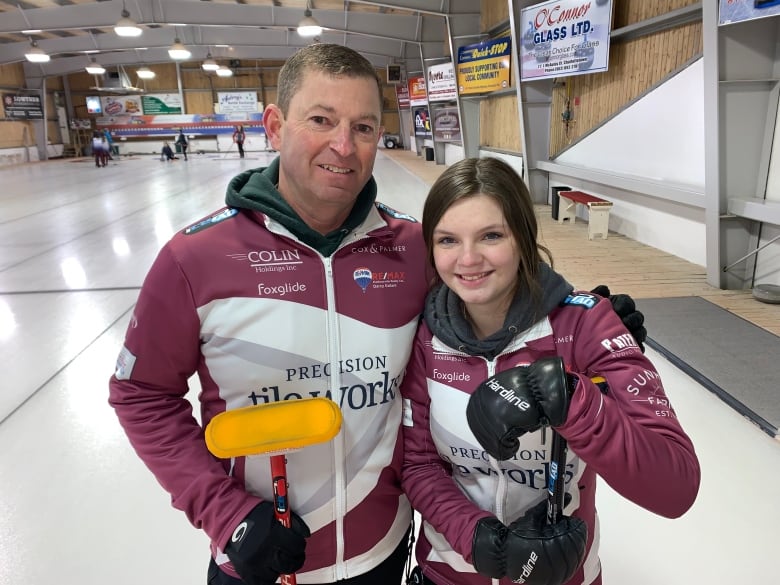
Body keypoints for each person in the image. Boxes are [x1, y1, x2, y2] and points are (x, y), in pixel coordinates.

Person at [108, 44, 647, 585]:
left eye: (363, 127)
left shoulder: (414, 248)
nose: (343, 146)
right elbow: (140, 394)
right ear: (274, 126)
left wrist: (577, 313)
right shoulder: (194, 258)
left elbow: (492, 294)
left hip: (385, 552)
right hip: (258, 558)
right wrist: (224, 515)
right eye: (322, 120)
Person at [399, 157, 700, 585]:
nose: (468, 259)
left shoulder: (585, 325)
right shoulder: (425, 334)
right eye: (448, 240)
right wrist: (480, 541)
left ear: (523, 237)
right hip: (450, 573)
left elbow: (676, 488)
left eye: (491, 235)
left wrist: (575, 400)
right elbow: (419, 463)